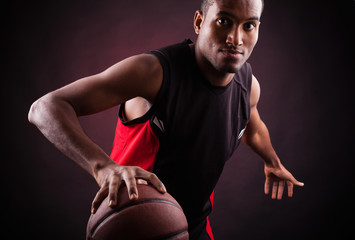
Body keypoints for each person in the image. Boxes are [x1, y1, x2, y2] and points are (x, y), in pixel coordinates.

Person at [28, 0, 304, 239]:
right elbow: (45, 107)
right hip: (135, 225)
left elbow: (252, 126)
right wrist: (103, 168)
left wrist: (272, 162)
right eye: (224, 21)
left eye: (249, 26)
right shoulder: (154, 73)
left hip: (193, 228)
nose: (236, 37)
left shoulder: (248, 85)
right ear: (199, 22)